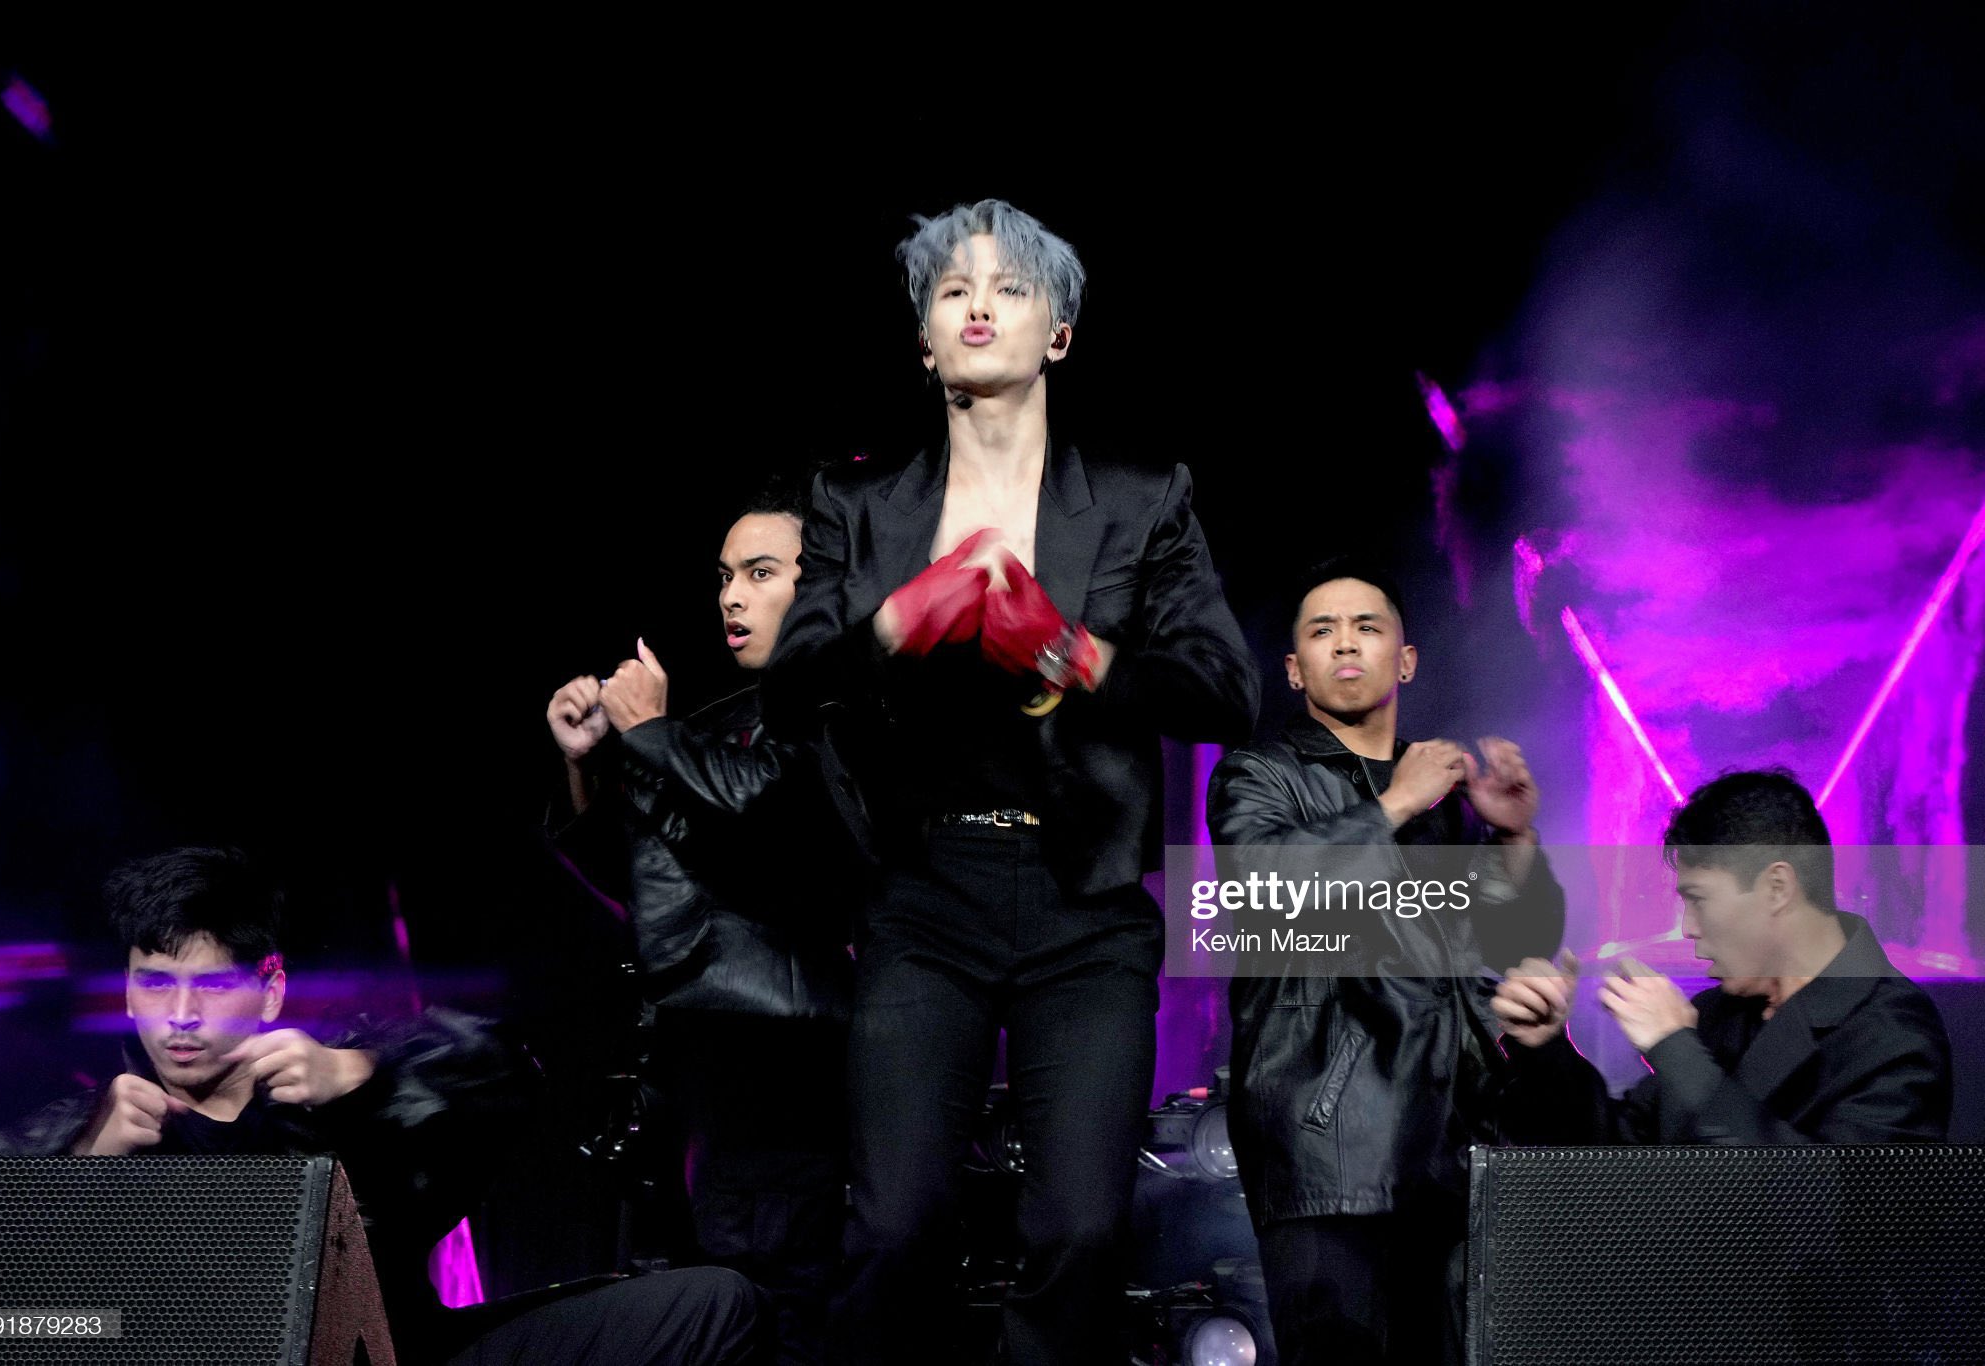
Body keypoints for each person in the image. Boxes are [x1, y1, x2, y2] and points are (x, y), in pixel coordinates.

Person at [764, 198, 1259, 1366]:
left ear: (1059, 333)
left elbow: (1225, 691)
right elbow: (787, 692)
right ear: (923, 341)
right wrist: (893, 621)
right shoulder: (858, 506)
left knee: (1084, 1226)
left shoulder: (1143, 498)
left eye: (1009, 287)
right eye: (950, 290)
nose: (978, 304)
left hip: (1083, 906)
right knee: (894, 1223)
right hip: (922, 897)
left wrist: (1072, 651)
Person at [0, 846, 767, 1366]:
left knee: (710, 1304)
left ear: (269, 988)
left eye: (212, 985)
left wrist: (364, 1076)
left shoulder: (329, 1083)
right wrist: (84, 1178)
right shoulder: (77, 1132)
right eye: (155, 984)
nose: (180, 1015)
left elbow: (509, 1078)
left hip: (409, 1355)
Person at [1208, 556, 1563, 1366]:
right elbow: (1265, 891)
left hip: (1447, 1143)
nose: (1346, 645)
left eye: (1368, 628)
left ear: (1404, 658)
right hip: (1324, 1140)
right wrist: (1396, 803)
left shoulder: (1448, 796)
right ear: (1295, 670)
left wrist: (1513, 836)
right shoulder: (1260, 774)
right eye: (1322, 631)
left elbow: (1512, 949)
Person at [545, 480, 854, 1364]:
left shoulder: (848, 708)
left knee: (779, 1298)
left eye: (760, 573)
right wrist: (590, 763)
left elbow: (773, 830)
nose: (730, 596)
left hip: (785, 1059)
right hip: (694, 1059)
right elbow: (644, 881)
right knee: (691, 1299)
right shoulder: (714, 724)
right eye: (725, 575)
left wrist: (649, 735)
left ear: (821, 581)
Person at [1494, 768, 1952, 1145]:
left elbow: (1824, 1219)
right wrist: (1545, 1049)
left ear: (1777, 888)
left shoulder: (1893, 1034)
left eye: (1699, 899)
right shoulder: (1717, 1014)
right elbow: (1619, 1157)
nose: (1689, 927)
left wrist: (1677, 1050)